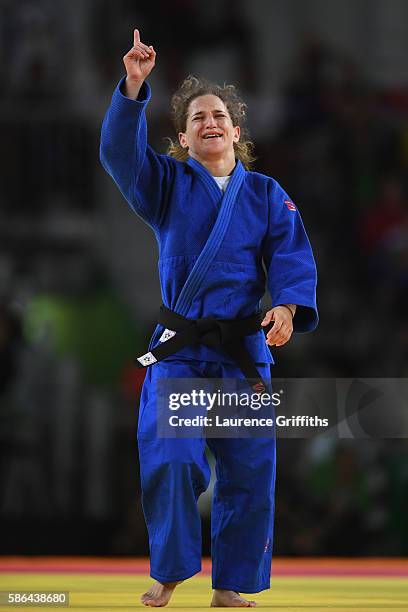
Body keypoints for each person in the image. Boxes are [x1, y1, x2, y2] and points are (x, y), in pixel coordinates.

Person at [100, 29, 318, 608]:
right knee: (172, 462)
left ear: (237, 131)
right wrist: (133, 88)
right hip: (183, 352)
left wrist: (288, 307)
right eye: (198, 117)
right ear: (184, 137)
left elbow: (292, 255)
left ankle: (230, 586)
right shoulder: (166, 185)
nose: (210, 122)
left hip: (242, 355)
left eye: (220, 114)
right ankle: (170, 571)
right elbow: (119, 155)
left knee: (249, 476)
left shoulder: (267, 194)